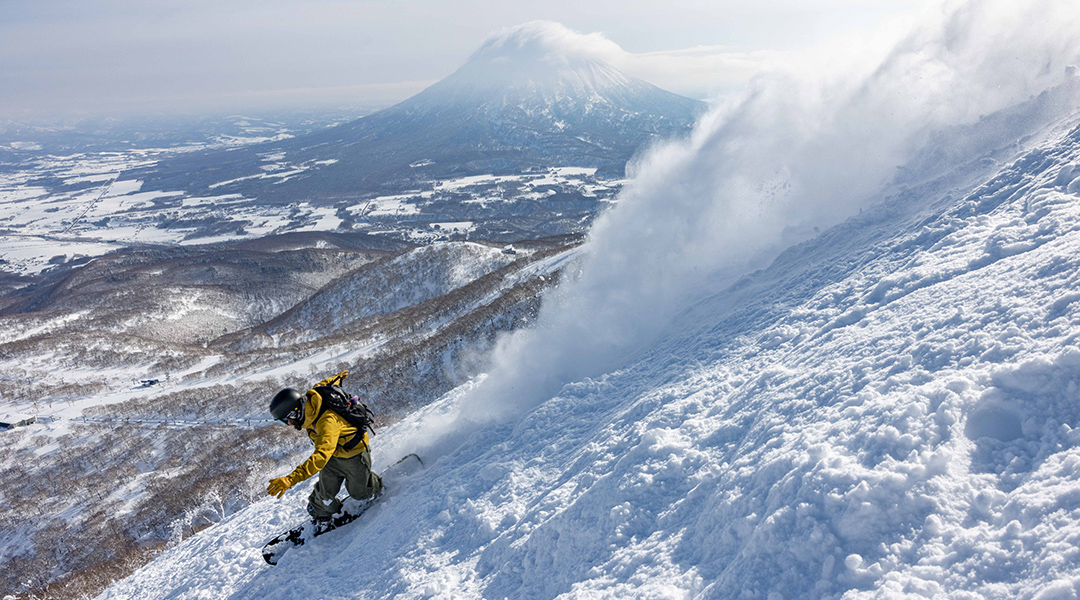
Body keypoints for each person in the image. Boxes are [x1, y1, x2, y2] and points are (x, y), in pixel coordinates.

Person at [267, 370, 382, 522]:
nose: (285, 425)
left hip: (353, 456)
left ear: (294, 414)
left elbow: (321, 456)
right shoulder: (311, 404)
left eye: (284, 421)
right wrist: (338, 377)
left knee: (361, 493)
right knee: (324, 497)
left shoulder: (326, 422)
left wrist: (291, 479)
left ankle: (374, 485)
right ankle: (320, 511)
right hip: (333, 458)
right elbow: (326, 384)